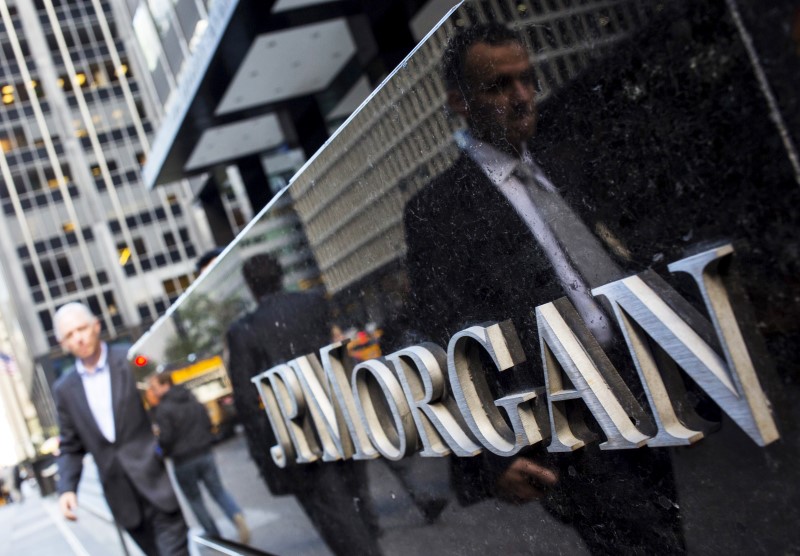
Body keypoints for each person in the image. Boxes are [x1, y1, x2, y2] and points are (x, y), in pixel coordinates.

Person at [403, 22, 683, 553]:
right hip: (571, 418)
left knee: (667, 532)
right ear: (459, 103)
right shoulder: (437, 212)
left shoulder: (570, 162)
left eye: (526, 80)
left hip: (647, 383)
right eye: (498, 86)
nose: (521, 96)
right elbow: (448, 343)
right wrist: (493, 459)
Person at [52, 302, 188, 555]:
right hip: (123, 500)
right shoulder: (64, 390)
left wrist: (166, 448)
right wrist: (67, 489)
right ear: (63, 344)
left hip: (157, 481)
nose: (79, 338)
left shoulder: (129, 359)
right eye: (69, 335)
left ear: (96, 325)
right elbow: (70, 445)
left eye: (81, 328)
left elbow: (163, 404)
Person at [147, 372, 250, 543]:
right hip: (204, 453)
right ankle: (235, 514)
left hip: (183, 461)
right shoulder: (190, 397)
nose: (153, 391)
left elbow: (167, 438)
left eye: (154, 387)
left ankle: (215, 537)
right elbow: (207, 421)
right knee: (218, 491)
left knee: (195, 500)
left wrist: (161, 450)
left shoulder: (164, 409)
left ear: (165, 385)